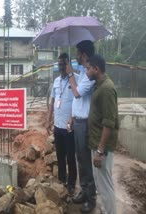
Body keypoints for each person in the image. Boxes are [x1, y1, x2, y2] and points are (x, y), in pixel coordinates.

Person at [66, 40, 97, 213]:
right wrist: (71, 117)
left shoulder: (90, 75)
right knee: (80, 159)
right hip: (77, 122)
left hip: (85, 123)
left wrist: (71, 75)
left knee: (86, 160)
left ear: (84, 55)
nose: (76, 56)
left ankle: (91, 197)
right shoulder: (84, 73)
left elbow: (77, 93)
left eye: (78, 53)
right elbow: (76, 96)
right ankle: (84, 191)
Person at [86, 54, 118, 214]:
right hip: (96, 142)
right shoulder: (99, 85)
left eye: (88, 68)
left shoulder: (107, 89)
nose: (86, 72)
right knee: (101, 183)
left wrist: (100, 151)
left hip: (102, 147)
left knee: (105, 185)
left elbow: (109, 123)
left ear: (96, 69)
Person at [46, 53, 77, 195]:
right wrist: (48, 121)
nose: (61, 66)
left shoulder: (75, 79)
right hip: (58, 126)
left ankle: (71, 184)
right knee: (60, 156)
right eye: (59, 64)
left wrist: (72, 118)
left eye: (64, 64)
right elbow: (52, 102)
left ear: (69, 64)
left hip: (69, 127)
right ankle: (62, 181)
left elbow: (78, 100)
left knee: (71, 157)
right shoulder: (56, 81)